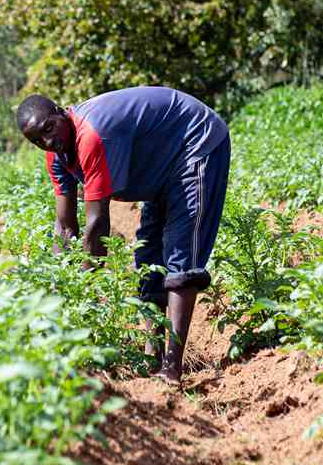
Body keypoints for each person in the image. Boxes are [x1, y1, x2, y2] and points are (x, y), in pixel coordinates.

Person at [16, 86, 231, 383]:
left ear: (61, 112)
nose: (48, 141)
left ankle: (172, 367)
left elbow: (96, 224)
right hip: (159, 168)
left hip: (195, 142)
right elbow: (64, 228)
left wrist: (86, 294)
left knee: (181, 253)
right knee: (148, 260)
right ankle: (150, 357)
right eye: (37, 140)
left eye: (49, 128)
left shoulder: (90, 136)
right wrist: (61, 288)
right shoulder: (56, 156)